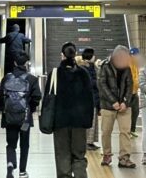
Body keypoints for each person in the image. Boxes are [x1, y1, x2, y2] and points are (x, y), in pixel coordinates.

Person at [50, 42, 96, 178]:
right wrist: (88, 121)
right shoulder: (84, 73)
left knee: (62, 154)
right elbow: (90, 98)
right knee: (79, 155)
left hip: (60, 122)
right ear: (75, 55)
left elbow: (48, 99)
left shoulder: (55, 74)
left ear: (62, 55)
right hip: (79, 123)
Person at [1, 50, 42, 178]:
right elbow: (37, 97)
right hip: (24, 118)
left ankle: (10, 164)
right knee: (24, 145)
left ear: (14, 62)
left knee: (11, 144)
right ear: (27, 63)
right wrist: (31, 109)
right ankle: (22, 172)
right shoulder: (32, 79)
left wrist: (5, 109)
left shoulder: (7, 77)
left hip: (9, 117)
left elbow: (0, 96)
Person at [97, 45, 135, 168]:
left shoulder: (127, 68)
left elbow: (130, 85)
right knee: (106, 131)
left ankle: (124, 158)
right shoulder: (105, 66)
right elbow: (102, 84)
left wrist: (125, 102)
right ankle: (107, 155)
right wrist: (113, 101)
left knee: (125, 131)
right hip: (108, 105)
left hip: (124, 106)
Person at [80, 48, 101, 150]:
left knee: (94, 122)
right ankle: (87, 142)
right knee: (90, 122)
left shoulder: (92, 67)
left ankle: (91, 141)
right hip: (88, 99)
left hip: (94, 99)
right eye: (93, 55)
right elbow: (91, 83)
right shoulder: (84, 69)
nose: (95, 57)